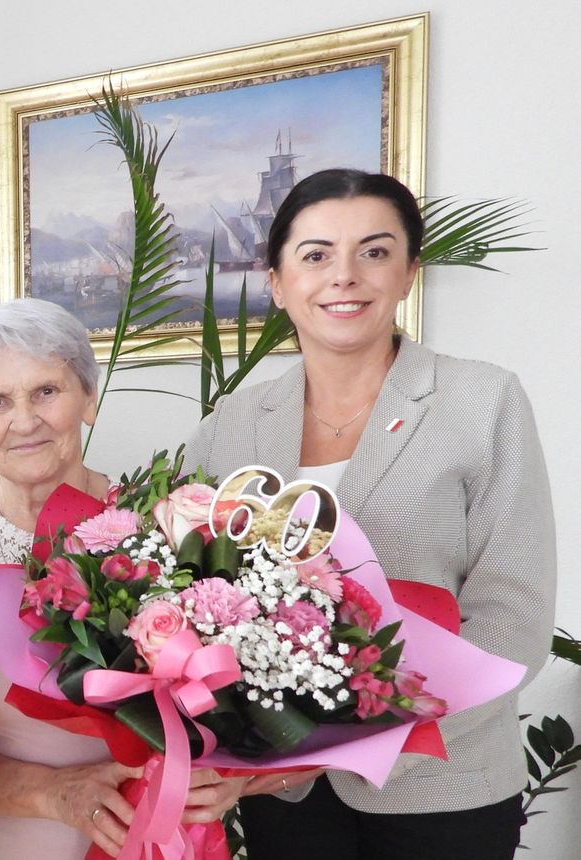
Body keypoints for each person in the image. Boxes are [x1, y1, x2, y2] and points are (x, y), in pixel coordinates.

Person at [184, 169, 555, 860]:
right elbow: (196, 593)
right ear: (277, 281)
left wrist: (352, 745)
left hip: (441, 786)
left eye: (375, 252)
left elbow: (513, 616)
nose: (344, 276)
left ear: (409, 273)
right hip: (283, 796)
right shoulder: (231, 423)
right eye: (316, 254)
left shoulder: (482, 401)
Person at [0, 298, 245, 858]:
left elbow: (238, 692)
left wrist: (228, 774)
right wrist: (54, 793)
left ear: (88, 399)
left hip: (154, 835)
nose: (24, 421)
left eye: (46, 392)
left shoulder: (166, 523)